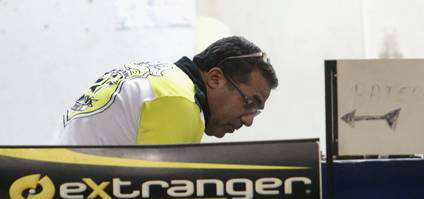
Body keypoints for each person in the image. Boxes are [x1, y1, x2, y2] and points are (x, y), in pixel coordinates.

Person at [53, 36, 278, 145]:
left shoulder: (161, 78)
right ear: (215, 78)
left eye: (256, 111)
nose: (249, 121)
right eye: (249, 102)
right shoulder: (182, 102)